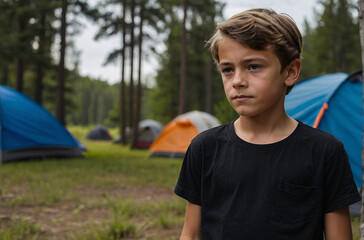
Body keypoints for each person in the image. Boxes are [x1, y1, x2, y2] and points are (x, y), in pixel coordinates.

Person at [174, 8, 361, 240]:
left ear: (290, 71)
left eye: (253, 66)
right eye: (228, 70)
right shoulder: (204, 148)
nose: (238, 81)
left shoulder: (325, 152)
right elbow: (191, 234)